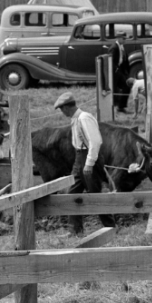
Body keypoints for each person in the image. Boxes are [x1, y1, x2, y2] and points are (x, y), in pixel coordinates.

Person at [54, 91, 115, 231]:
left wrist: (89, 163)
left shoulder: (84, 118)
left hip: (88, 157)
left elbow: (95, 141)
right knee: (72, 194)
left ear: (67, 107)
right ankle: (75, 229)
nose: (62, 112)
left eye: (62, 109)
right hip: (79, 158)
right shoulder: (76, 119)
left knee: (95, 195)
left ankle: (110, 227)